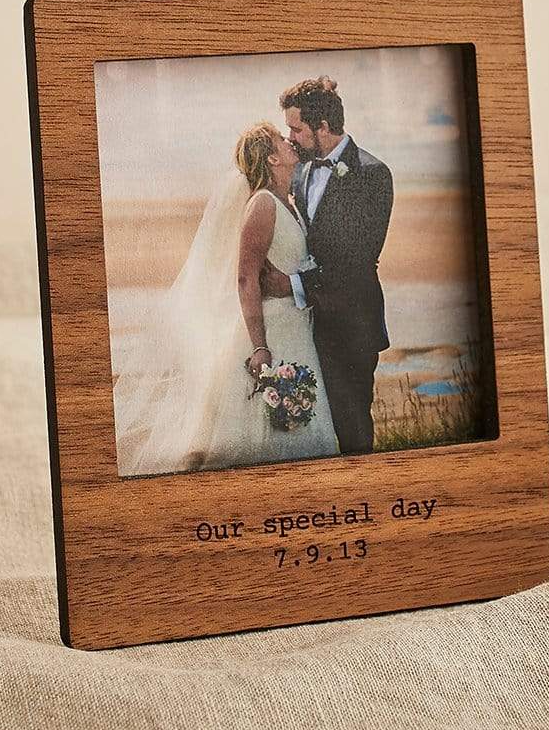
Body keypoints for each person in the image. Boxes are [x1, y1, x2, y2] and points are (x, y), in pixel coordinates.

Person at [112, 122, 338, 477]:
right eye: (281, 138)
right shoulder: (263, 204)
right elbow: (246, 278)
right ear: (272, 158)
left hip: (296, 326)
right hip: (274, 331)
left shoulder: (287, 201)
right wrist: (260, 346)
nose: (289, 139)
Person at [260, 77, 394, 455]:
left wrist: (293, 286)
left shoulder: (372, 174)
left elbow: (357, 260)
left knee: (352, 430)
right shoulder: (300, 171)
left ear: (322, 128)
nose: (290, 138)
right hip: (306, 327)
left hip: (351, 325)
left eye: (296, 129)